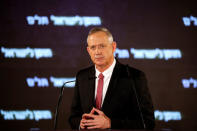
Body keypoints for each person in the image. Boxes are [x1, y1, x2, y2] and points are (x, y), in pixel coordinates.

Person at [68, 27, 155, 129]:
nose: (97, 52)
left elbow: (148, 122)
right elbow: (73, 117)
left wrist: (110, 124)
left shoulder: (134, 77)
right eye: (93, 47)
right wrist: (81, 123)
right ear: (88, 50)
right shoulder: (82, 76)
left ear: (113, 47)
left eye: (102, 46)